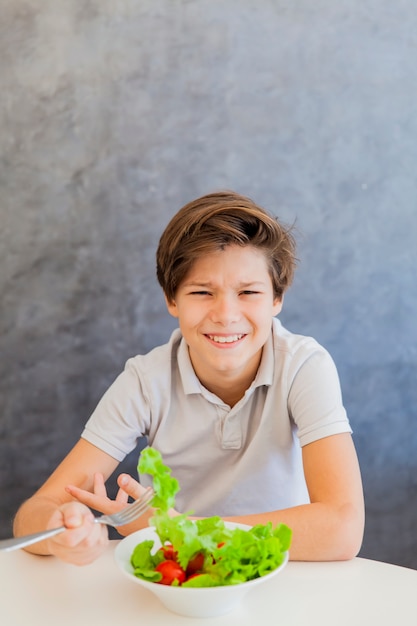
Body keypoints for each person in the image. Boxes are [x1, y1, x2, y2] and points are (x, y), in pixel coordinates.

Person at [13, 191, 364, 566]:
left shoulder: (303, 366)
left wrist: (179, 529)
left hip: (283, 573)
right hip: (178, 578)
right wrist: (62, 530)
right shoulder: (146, 381)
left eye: (248, 292)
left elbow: (343, 528)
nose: (226, 314)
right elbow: (34, 515)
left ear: (277, 299)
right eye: (201, 292)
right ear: (172, 300)